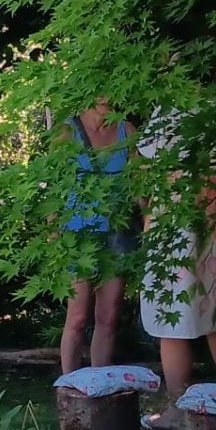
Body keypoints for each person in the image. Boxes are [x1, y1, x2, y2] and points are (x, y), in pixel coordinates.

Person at [136, 105, 216, 430]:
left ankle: (178, 412)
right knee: (214, 317)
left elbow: (148, 176)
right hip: (212, 230)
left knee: (170, 324)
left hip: (176, 232)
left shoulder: (168, 112)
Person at [57, 99, 138, 373]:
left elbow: (140, 188)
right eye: (100, 90)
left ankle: (100, 387)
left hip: (119, 230)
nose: (107, 98)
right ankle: (69, 388)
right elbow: (53, 188)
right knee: (77, 317)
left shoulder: (128, 130)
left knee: (108, 317)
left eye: (114, 91)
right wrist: (54, 234)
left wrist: (154, 223)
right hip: (78, 234)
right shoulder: (67, 132)